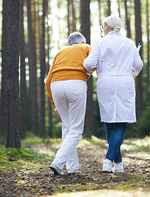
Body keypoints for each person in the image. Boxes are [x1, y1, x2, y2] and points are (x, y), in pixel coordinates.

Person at [83, 15, 143, 173]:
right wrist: (129, 68)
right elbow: (138, 65)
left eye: (103, 26)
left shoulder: (100, 43)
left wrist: (88, 67)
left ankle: (110, 161)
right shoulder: (129, 43)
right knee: (121, 123)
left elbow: (89, 64)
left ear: (107, 26)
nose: (103, 29)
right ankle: (117, 163)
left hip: (106, 83)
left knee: (109, 122)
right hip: (124, 82)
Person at [46, 32, 92, 175]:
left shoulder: (60, 53)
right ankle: (58, 163)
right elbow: (96, 60)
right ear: (82, 41)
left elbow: (48, 81)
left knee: (67, 128)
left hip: (56, 86)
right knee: (76, 129)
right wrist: (89, 72)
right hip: (76, 83)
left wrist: (54, 106)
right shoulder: (85, 47)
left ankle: (72, 169)